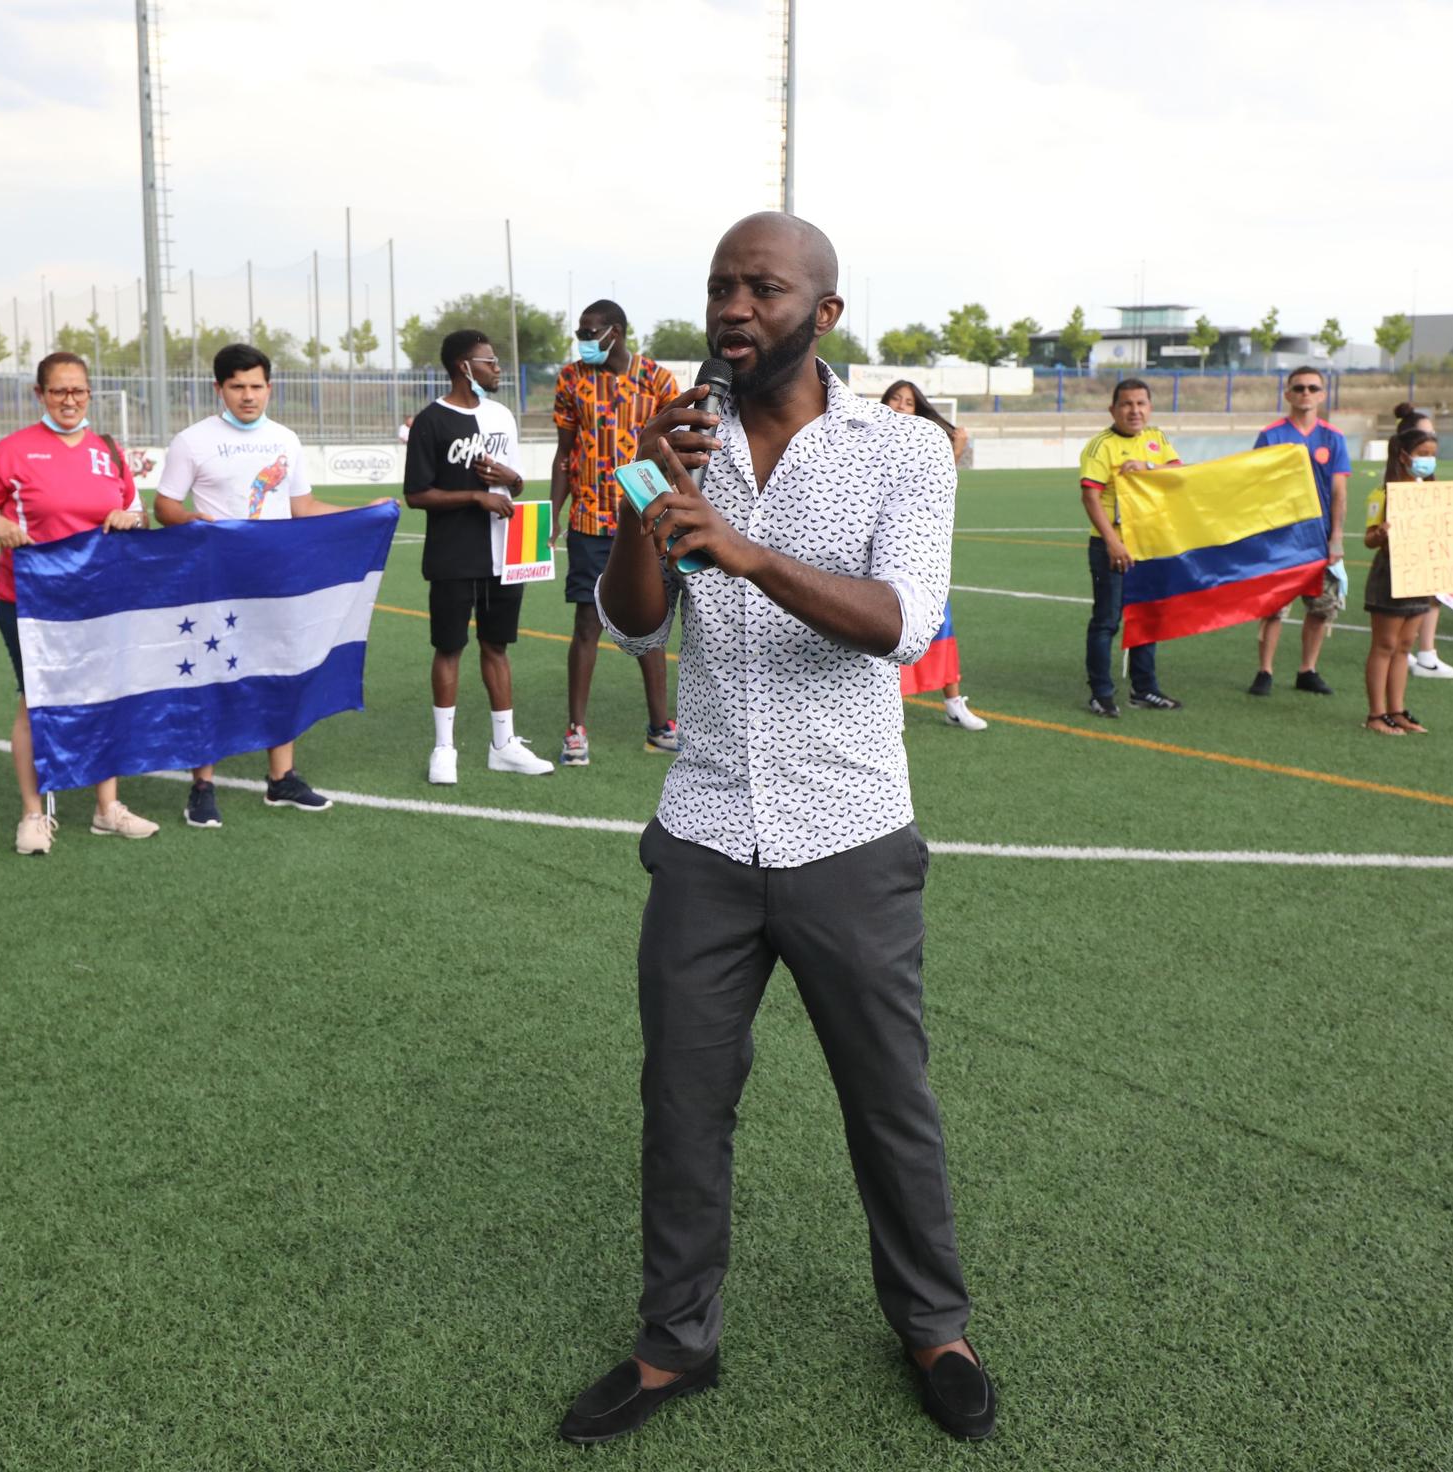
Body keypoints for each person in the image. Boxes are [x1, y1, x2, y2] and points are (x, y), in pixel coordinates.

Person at [570, 211, 993, 1446]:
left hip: (849, 829)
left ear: (825, 312)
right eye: (719, 288)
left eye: (761, 287)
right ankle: (673, 1342)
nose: (733, 308)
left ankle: (932, 1323)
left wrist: (745, 554)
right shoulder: (673, 440)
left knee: (887, 1096)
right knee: (683, 1096)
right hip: (703, 829)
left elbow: (903, 622)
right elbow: (639, 623)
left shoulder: (902, 451)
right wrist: (664, 496)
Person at [154, 342, 385, 827]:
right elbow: (165, 505)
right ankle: (202, 784)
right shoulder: (192, 441)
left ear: (269, 387)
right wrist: (197, 523)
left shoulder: (285, 439)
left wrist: (364, 513)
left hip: (277, 578)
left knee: (286, 665)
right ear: (219, 388)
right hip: (217, 580)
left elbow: (302, 508)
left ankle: (281, 779)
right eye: (237, 386)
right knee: (212, 670)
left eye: (256, 386)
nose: (247, 396)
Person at [0, 351, 159, 852]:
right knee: (36, 701)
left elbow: (138, 514)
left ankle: (107, 807)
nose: (69, 400)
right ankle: (32, 814)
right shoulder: (13, 451)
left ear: (90, 394)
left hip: (99, 597)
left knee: (104, 695)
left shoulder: (108, 450)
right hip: (29, 599)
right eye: (58, 391)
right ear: (40, 395)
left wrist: (128, 518)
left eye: (78, 391)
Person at [404, 329, 553, 781]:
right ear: (463, 367)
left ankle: (503, 744)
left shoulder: (503, 416)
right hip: (454, 554)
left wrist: (511, 479)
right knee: (449, 647)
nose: (497, 368)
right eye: (489, 361)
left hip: (508, 552)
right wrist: (474, 498)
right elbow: (416, 495)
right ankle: (444, 749)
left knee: (497, 646)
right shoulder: (431, 420)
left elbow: (516, 483)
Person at [550, 300, 682, 766]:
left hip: (645, 520)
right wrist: (554, 510)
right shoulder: (571, 380)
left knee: (651, 622)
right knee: (586, 623)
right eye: (580, 331)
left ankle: (660, 726)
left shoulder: (659, 382)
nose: (583, 339)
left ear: (617, 332)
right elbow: (565, 454)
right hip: (588, 520)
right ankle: (575, 730)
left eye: (591, 330)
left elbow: (676, 452)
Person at [881, 380, 984, 730]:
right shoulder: (866, 443)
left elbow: (939, 486)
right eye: (895, 398)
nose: (900, 405)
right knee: (884, 631)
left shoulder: (924, 446)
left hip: (919, 556)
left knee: (940, 624)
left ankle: (954, 702)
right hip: (876, 557)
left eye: (908, 401)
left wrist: (956, 449)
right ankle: (885, 707)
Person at [1079, 379, 1182, 716]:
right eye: (1126, 404)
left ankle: (1144, 688)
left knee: (1147, 617)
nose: (1134, 410)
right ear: (1113, 409)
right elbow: (1090, 496)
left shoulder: (1157, 439)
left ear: (1150, 407)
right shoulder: (1101, 446)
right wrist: (1112, 542)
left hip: (1149, 544)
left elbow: (1178, 475)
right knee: (1107, 621)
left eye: (1141, 403)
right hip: (1112, 546)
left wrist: (1149, 467)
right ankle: (1101, 692)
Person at [1248, 366, 1347, 696]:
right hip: (1281, 539)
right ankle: (1265, 670)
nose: (1306, 393)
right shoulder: (1271, 435)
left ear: (1322, 394)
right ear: (1288, 394)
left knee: (1321, 608)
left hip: (1319, 540)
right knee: (1273, 609)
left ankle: (1308, 669)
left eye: (1312, 388)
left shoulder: (1333, 437)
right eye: (1299, 388)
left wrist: (1336, 537)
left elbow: (1339, 492)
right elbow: (1256, 484)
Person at [1360, 428, 1453, 735]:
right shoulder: (1384, 493)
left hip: (1422, 573)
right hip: (1391, 572)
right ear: (1403, 456)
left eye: (1432, 455)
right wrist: (1381, 533)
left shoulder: (1432, 494)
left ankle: (1397, 710)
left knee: (1404, 645)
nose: (1428, 461)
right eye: (1422, 454)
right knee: (1385, 644)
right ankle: (1376, 714)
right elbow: (1369, 539)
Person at [1390, 406, 1453, 679]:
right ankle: (1418, 653)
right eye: (1425, 433)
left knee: (1434, 594)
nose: (1431, 438)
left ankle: (1424, 654)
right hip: (1405, 558)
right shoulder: (1395, 485)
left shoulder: (1426, 482)